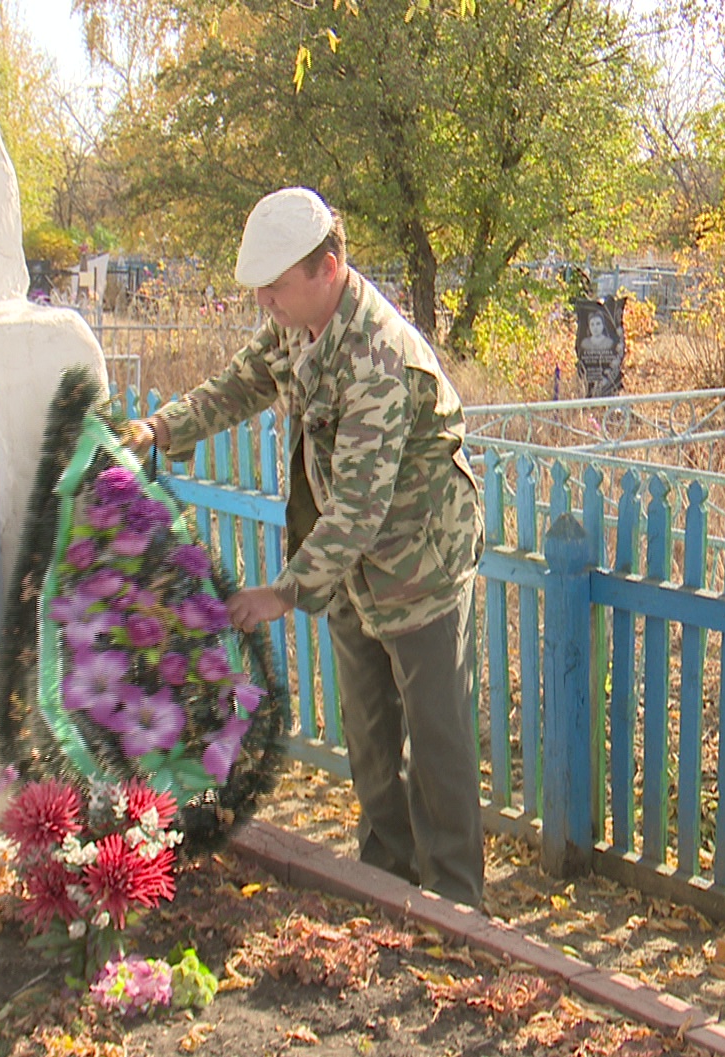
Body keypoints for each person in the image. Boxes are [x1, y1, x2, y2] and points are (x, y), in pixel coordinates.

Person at [123, 187, 486, 908]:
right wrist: (158, 430)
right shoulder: (298, 323)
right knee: (370, 735)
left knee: (437, 742)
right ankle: (386, 882)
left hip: (419, 565)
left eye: (277, 286)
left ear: (328, 267)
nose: (265, 301)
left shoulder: (379, 356)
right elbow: (239, 385)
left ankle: (456, 905)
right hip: (348, 567)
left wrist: (282, 592)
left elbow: (359, 507)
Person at [575, 307, 623, 397]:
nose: (595, 328)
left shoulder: (609, 342)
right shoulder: (585, 343)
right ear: (589, 326)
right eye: (592, 324)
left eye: (598, 324)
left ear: (603, 325)